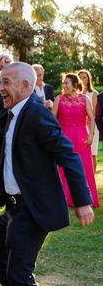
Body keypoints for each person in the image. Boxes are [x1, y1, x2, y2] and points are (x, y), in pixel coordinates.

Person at [0, 55, 95, 286]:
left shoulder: (36, 114)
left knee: (18, 272)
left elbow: (68, 155)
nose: (0, 88)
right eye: (0, 82)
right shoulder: (12, 110)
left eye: (6, 82)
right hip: (14, 207)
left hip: (33, 208)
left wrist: (82, 201)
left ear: (26, 85)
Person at [51, 73, 99, 208]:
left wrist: (91, 135)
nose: (64, 86)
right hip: (64, 136)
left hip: (82, 136)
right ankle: (63, 197)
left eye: (67, 83)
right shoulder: (59, 99)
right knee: (63, 167)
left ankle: (86, 197)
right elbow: (52, 119)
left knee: (84, 166)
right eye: (63, 83)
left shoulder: (85, 99)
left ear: (74, 85)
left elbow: (91, 118)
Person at [77, 69, 98, 171]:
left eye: (84, 77)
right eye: (80, 77)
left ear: (88, 79)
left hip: (90, 126)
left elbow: (92, 114)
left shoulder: (93, 93)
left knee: (92, 154)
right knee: (80, 154)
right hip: (78, 127)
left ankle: (92, 179)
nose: (82, 79)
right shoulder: (74, 94)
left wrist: (90, 131)